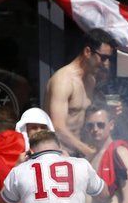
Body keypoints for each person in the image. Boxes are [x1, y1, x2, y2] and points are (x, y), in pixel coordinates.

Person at [43, 29, 117, 158]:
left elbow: (90, 116)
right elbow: (57, 126)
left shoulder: (91, 81)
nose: (106, 63)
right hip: (58, 153)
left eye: (109, 58)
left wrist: (110, 110)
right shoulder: (63, 80)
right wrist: (85, 149)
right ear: (87, 52)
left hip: (79, 152)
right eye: (103, 58)